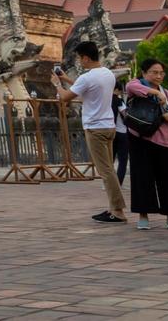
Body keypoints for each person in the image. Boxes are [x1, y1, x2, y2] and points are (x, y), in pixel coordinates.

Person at [54, 41, 127, 223]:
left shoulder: (87, 78)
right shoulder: (107, 74)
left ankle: (118, 211)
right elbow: (87, 89)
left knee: (106, 171)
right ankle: (113, 208)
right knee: (109, 168)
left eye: (80, 58)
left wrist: (56, 84)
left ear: (86, 57)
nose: (80, 62)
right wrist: (66, 80)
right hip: (108, 126)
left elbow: (64, 97)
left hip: (95, 128)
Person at [125, 57, 168, 230]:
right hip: (140, 138)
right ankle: (143, 215)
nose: (158, 76)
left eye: (161, 73)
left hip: (164, 140)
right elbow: (130, 86)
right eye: (154, 72)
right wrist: (155, 93)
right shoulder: (137, 87)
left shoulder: (167, 93)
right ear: (144, 73)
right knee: (142, 178)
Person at [111, 81, 130, 185]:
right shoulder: (118, 100)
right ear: (117, 90)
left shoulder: (105, 100)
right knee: (123, 160)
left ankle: (109, 183)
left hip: (110, 132)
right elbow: (125, 115)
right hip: (122, 132)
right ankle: (118, 183)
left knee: (110, 159)